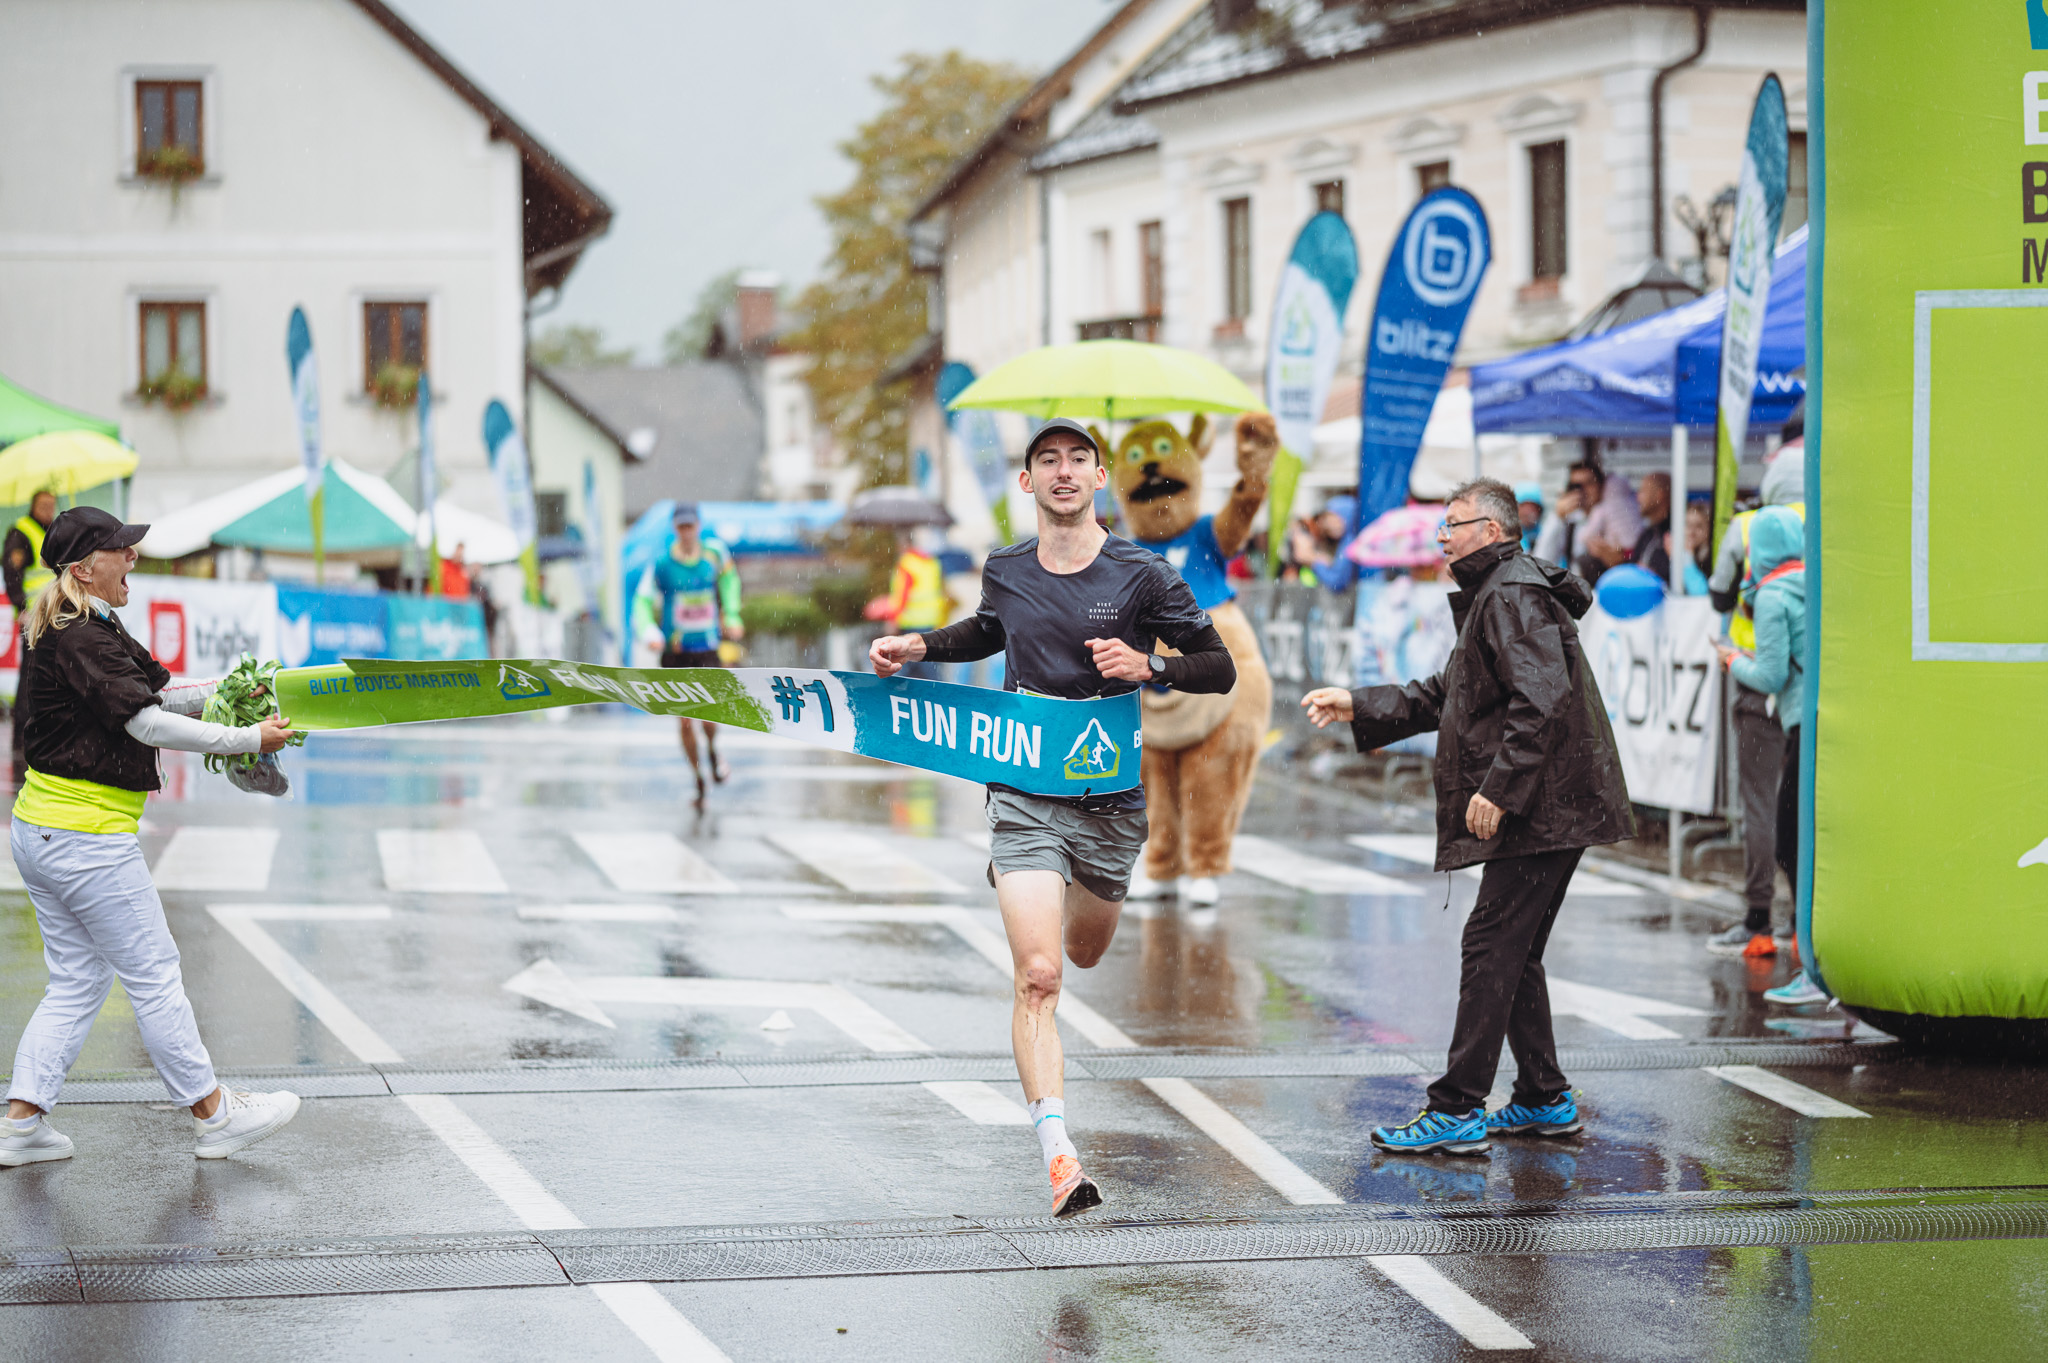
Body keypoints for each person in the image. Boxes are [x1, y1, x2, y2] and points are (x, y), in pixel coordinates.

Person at [869, 418, 1235, 1216]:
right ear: (1028, 481)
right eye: (1047, 460)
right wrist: (920, 644)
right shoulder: (1005, 567)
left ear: (1099, 478)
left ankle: (1066, 883)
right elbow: (989, 628)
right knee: (1040, 975)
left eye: (1077, 459)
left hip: (1109, 803)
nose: (1062, 471)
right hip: (1024, 789)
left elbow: (1220, 667)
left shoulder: (1144, 574)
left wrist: (1151, 664)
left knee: (1084, 950)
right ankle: (1059, 1154)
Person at [1301, 477, 1633, 1155]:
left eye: (1452, 524)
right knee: (1514, 950)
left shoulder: (1510, 592)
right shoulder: (1498, 590)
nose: (1442, 537)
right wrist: (1359, 704)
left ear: (1491, 529)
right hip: (1554, 801)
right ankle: (1543, 1097)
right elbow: (1447, 694)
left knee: (1491, 944)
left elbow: (1540, 700)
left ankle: (1456, 1107)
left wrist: (1500, 789)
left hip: (1545, 805)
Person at [2, 508, 302, 1168]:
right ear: (86, 568)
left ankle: (21, 1124)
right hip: (85, 837)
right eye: (122, 549)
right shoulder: (83, 635)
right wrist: (246, 739)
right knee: (155, 973)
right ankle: (215, 1114)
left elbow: (162, 698)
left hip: (44, 830)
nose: (133, 557)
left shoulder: (84, 625)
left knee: (77, 980)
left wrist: (235, 692)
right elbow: (146, 724)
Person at [1714, 507, 1825, 1005]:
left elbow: (1772, 676)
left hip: (1800, 720)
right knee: (1805, 836)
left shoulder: (1774, 596)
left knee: (1788, 840)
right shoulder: (1814, 583)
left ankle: (1810, 956)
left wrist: (1733, 660)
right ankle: (1810, 946)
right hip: (1822, 720)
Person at [1704, 439, 1805, 957]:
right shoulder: (1829, 524)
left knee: (1762, 804)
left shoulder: (1749, 526)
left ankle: (1759, 918)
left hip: (1758, 682)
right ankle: (1805, 922)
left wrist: (1731, 655)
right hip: (1810, 694)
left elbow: (1719, 592)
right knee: (1804, 810)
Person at [633, 503, 743, 805]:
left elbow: (730, 581)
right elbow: (642, 600)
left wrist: (732, 613)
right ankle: (698, 777)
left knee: (708, 716)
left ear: (698, 526)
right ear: (674, 529)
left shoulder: (715, 553)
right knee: (684, 720)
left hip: (706, 648)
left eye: (690, 526)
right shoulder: (662, 564)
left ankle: (713, 751)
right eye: (681, 527)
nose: (686, 532)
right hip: (676, 651)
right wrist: (649, 632)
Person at [6, 489, 59, 785]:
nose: (49, 510)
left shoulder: (54, 531)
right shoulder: (22, 532)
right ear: (33, 506)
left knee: (51, 676)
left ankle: (44, 733)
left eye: (52, 505)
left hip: (55, 616)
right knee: (30, 676)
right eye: (44, 505)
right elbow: (12, 572)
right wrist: (21, 607)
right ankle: (23, 737)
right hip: (34, 616)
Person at [881, 529, 949, 680]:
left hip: (912, 620)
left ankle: (894, 688)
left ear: (903, 545)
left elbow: (902, 595)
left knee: (907, 661)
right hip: (932, 619)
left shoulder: (907, 563)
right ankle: (936, 688)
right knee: (927, 661)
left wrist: (893, 619)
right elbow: (941, 589)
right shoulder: (932, 562)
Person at [1628, 471, 1673, 583]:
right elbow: (1631, 568)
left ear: (1659, 495)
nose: (1637, 497)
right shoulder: (1647, 534)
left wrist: (1650, 574)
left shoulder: (1677, 532)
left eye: (1643, 491)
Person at [1514, 483, 1544, 553]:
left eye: (1533, 507)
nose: (1528, 511)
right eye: (1524, 506)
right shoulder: (1506, 536)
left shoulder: (1544, 533)